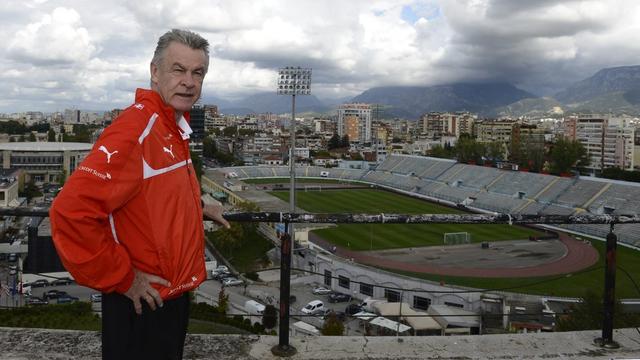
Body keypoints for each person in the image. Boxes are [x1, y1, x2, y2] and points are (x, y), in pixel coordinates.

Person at [49, 29, 230, 359]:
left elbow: (152, 193)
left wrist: (199, 204)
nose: (189, 81)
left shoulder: (171, 127)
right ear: (155, 71)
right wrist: (124, 278)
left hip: (166, 295)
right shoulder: (137, 129)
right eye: (178, 70)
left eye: (197, 72)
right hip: (140, 300)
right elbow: (69, 212)